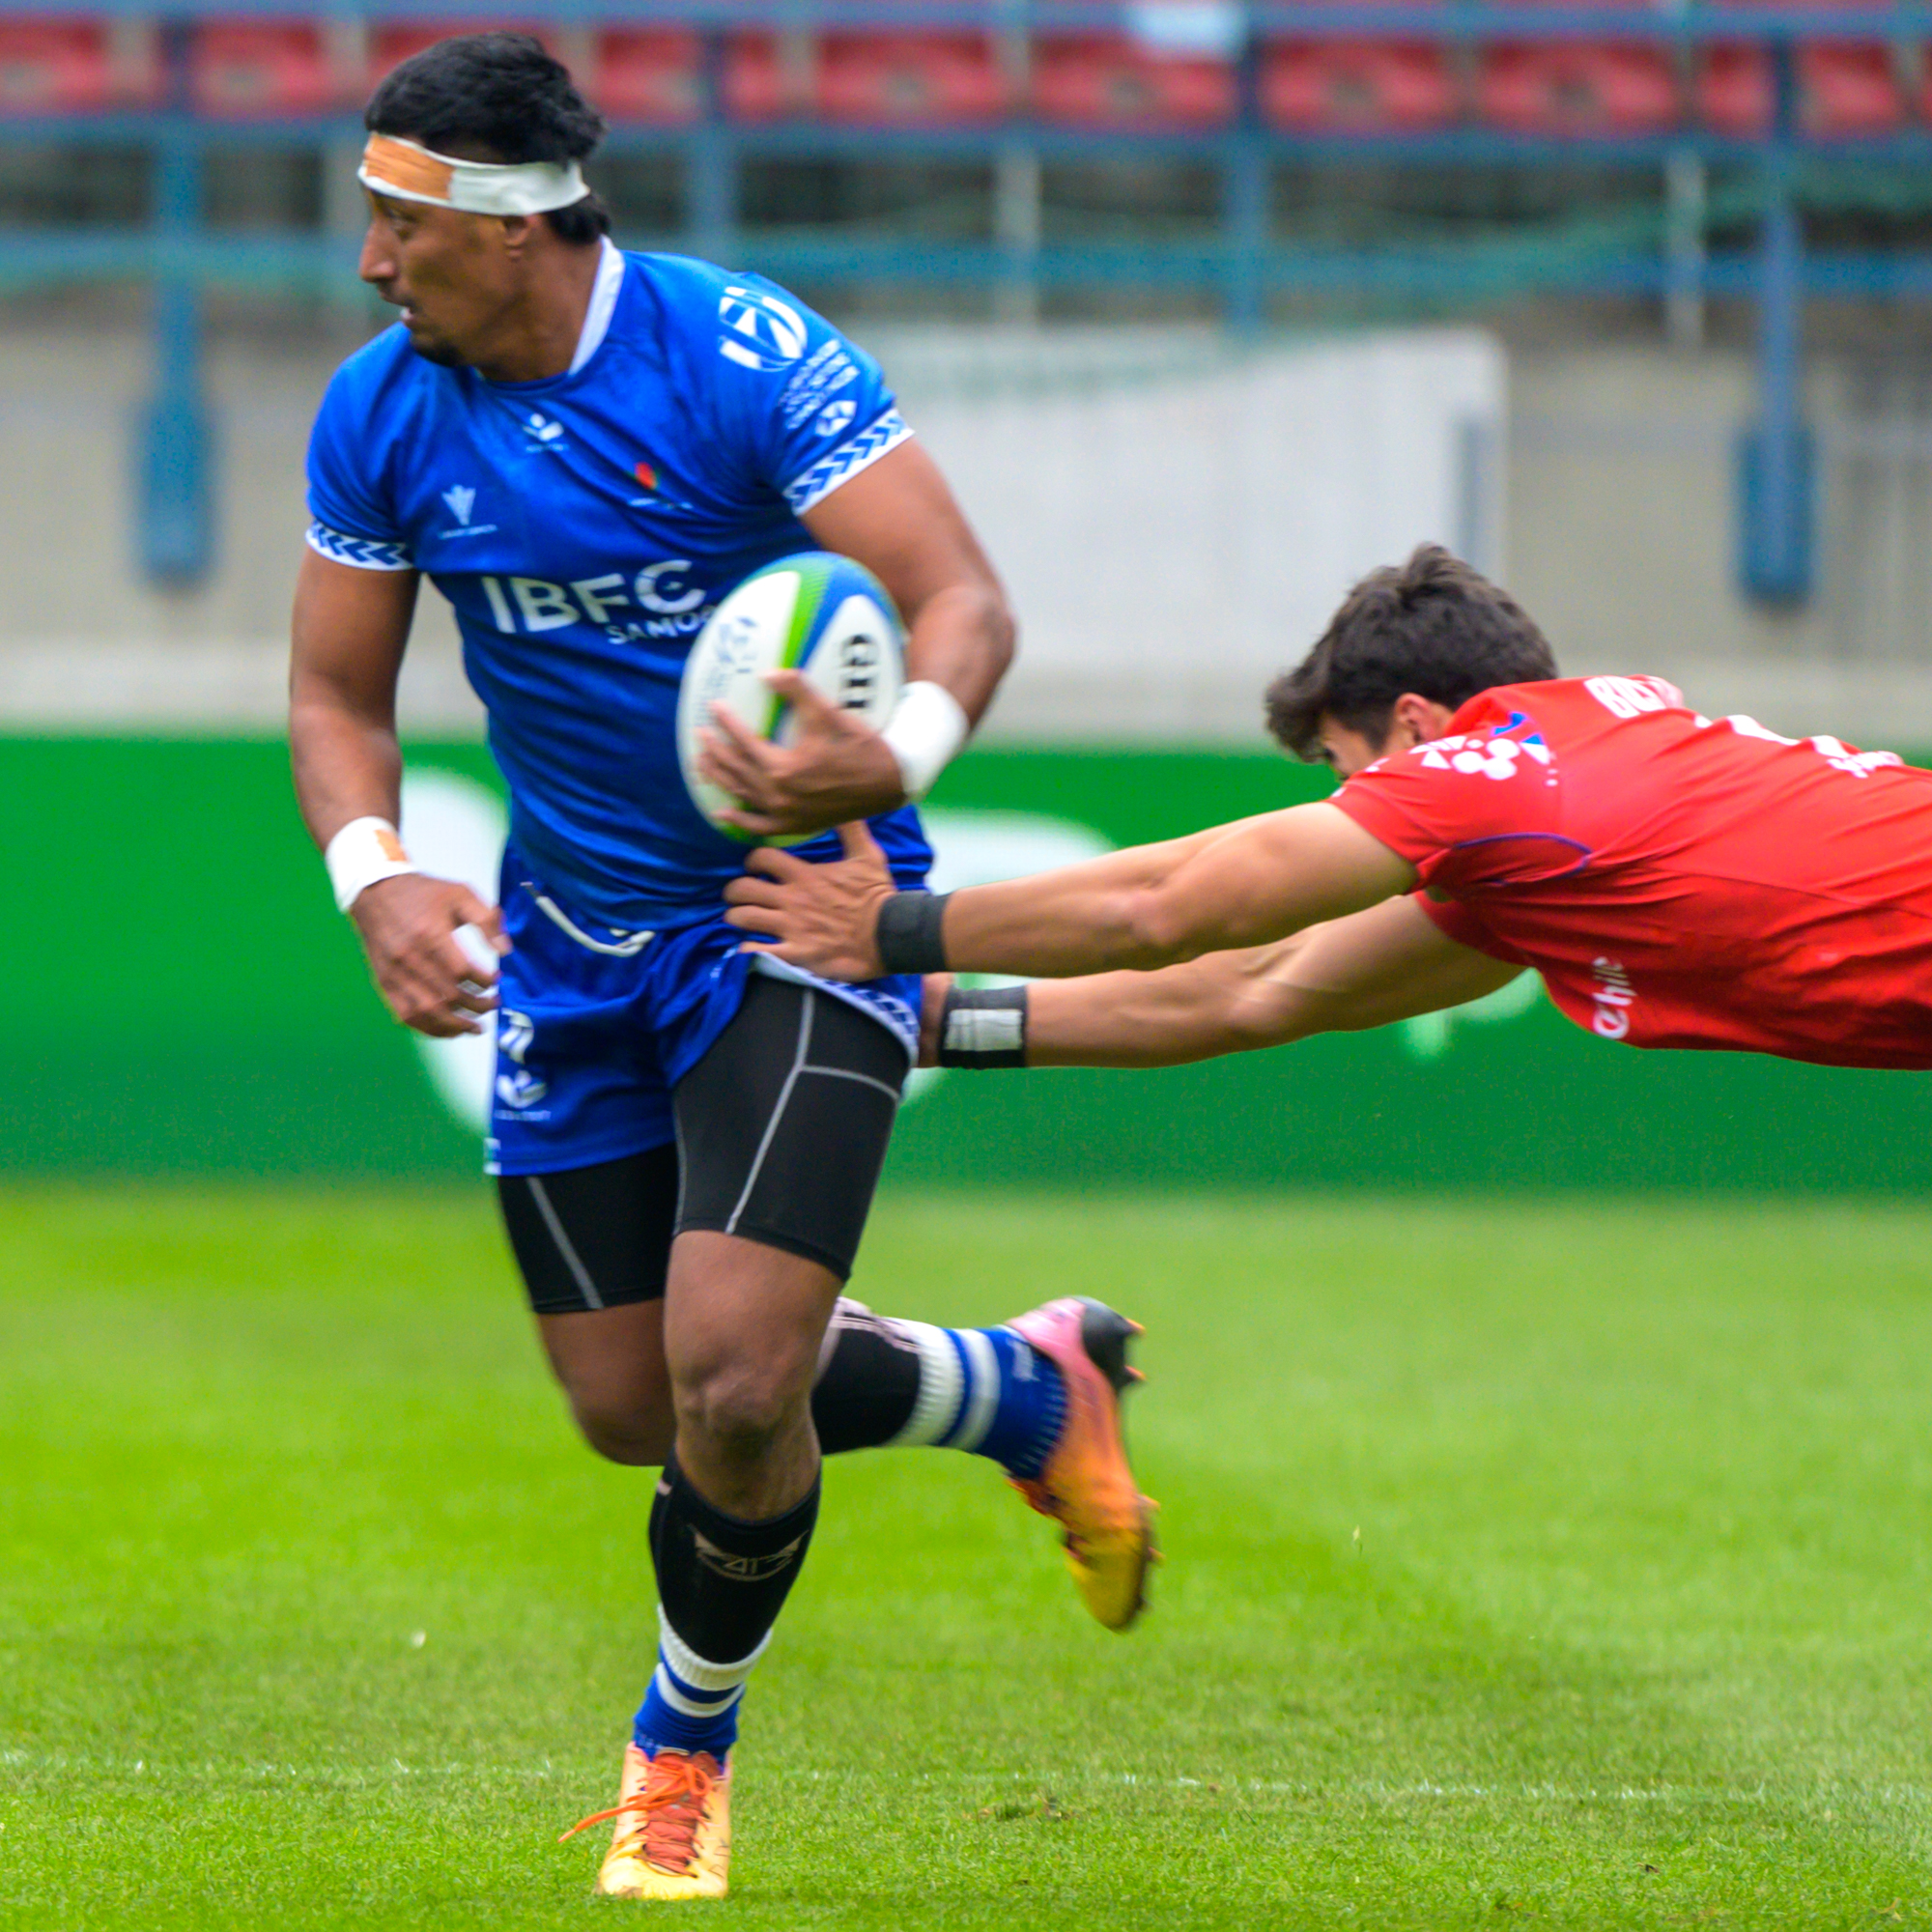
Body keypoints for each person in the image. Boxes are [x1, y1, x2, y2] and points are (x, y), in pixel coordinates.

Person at [287, 33, 1153, 1905]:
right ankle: (1018, 1390)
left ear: (511, 224)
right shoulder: (378, 411)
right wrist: (378, 879)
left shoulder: (738, 355)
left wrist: (893, 757)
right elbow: (335, 696)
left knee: (738, 1386)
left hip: (796, 918)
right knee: (634, 1410)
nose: (370, 260)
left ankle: (678, 1752)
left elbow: (963, 601)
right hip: (571, 944)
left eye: (400, 222)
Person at [723, 543, 1932, 1090]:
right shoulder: (1541, 854)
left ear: (1416, 726)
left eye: (1343, 772)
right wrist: (936, 1022)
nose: (1344, 810)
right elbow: (1252, 989)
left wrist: (890, 928)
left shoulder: (1499, 771)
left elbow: (1163, 906)